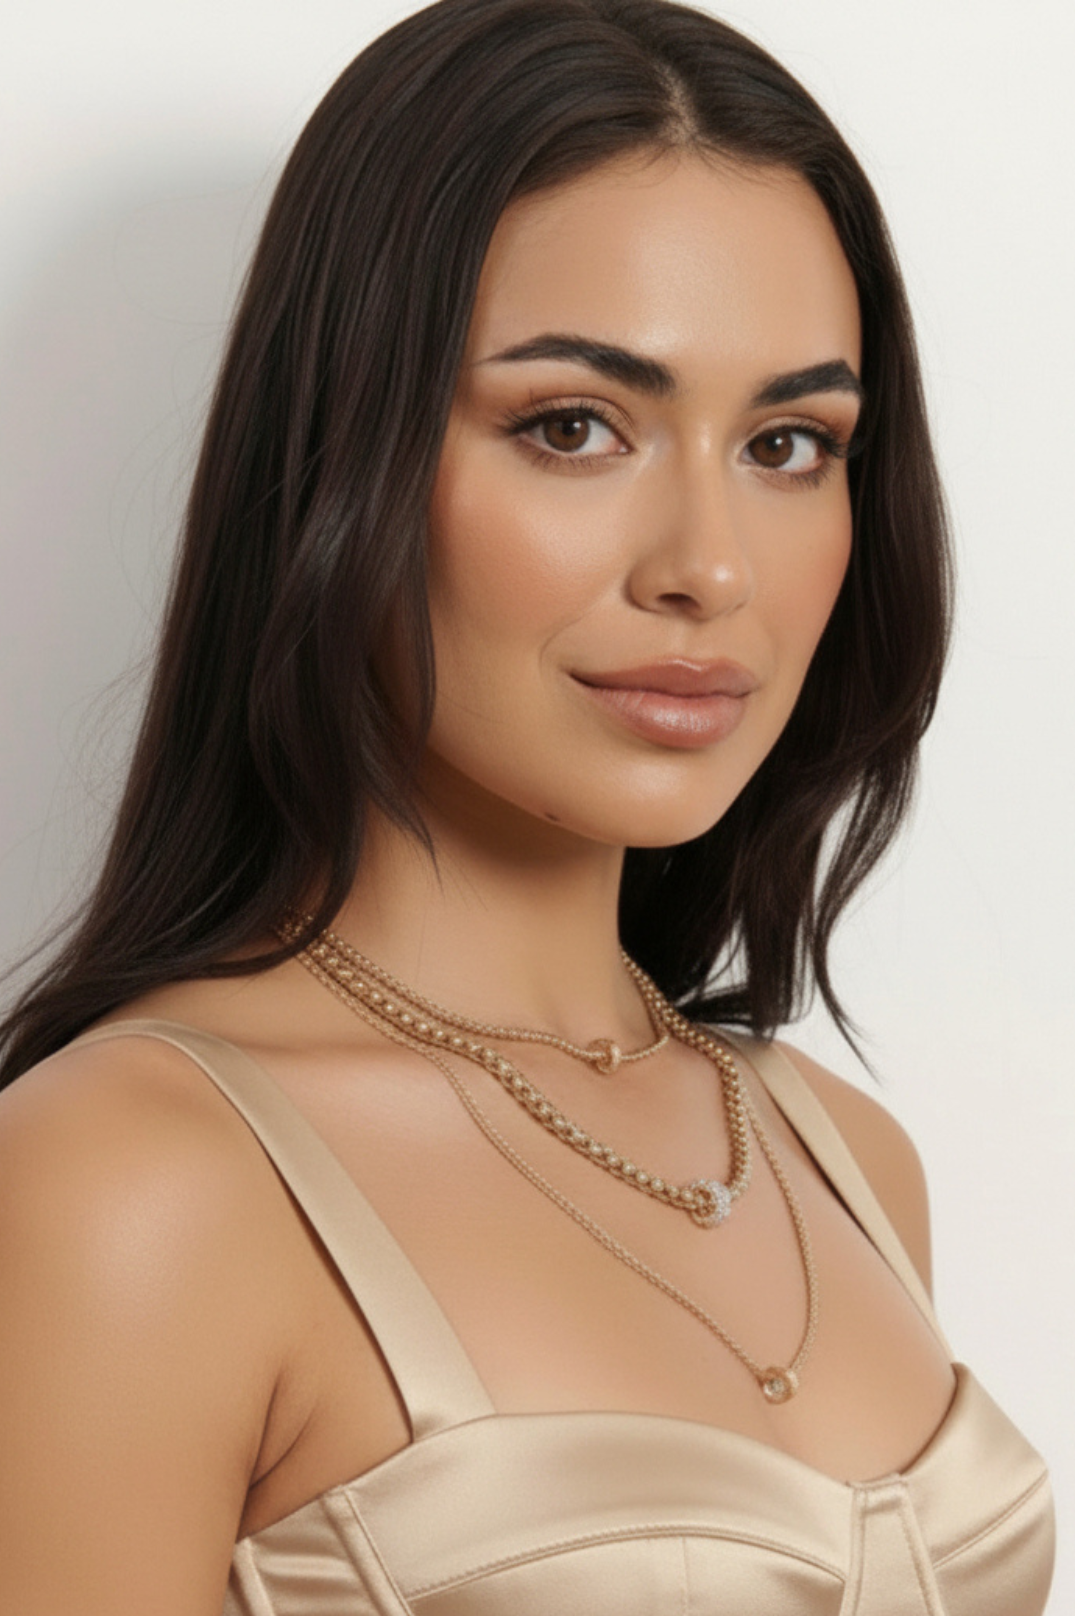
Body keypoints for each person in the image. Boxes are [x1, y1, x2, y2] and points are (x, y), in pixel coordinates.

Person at [0, 0, 1055, 1611]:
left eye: (788, 442)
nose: (707, 566)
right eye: (573, 427)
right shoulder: (126, 1185)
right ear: (339, 450)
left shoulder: (840, 1158)